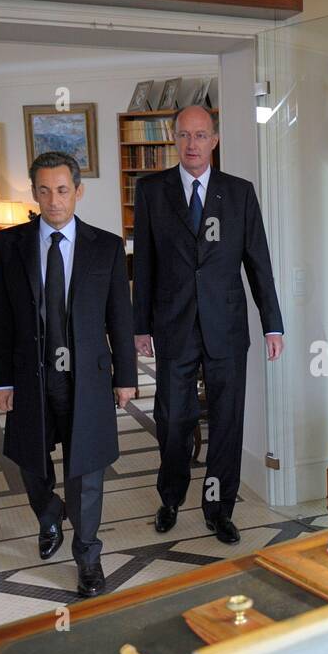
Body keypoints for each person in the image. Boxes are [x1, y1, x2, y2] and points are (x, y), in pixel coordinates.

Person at [0, 151, 136, 596]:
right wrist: (0, 379)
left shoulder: (106, 246)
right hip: (31, 375)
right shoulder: (7, 246)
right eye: (45, 191)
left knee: (87, 469)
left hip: (86, 377)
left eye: (63, 190)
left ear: (79, 191)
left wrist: (125, 377)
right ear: (34, 193)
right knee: (31, 462)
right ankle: (49, 513)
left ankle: (88, 557)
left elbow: (120, 318)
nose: (55, 201)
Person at [133, 105, 284, 544]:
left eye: (200, 136)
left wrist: (272, 325)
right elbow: (143, 264)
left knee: (226, 420)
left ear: (214, 140)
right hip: (173, 326)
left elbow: (259, 264)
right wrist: (140, 325)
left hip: (227, 328)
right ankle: (171, 496)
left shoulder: (239, 193)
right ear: (174, 139)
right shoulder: (151, 191)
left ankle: (219, 508)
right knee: (173, 418)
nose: (192, 144)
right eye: (184, 135)